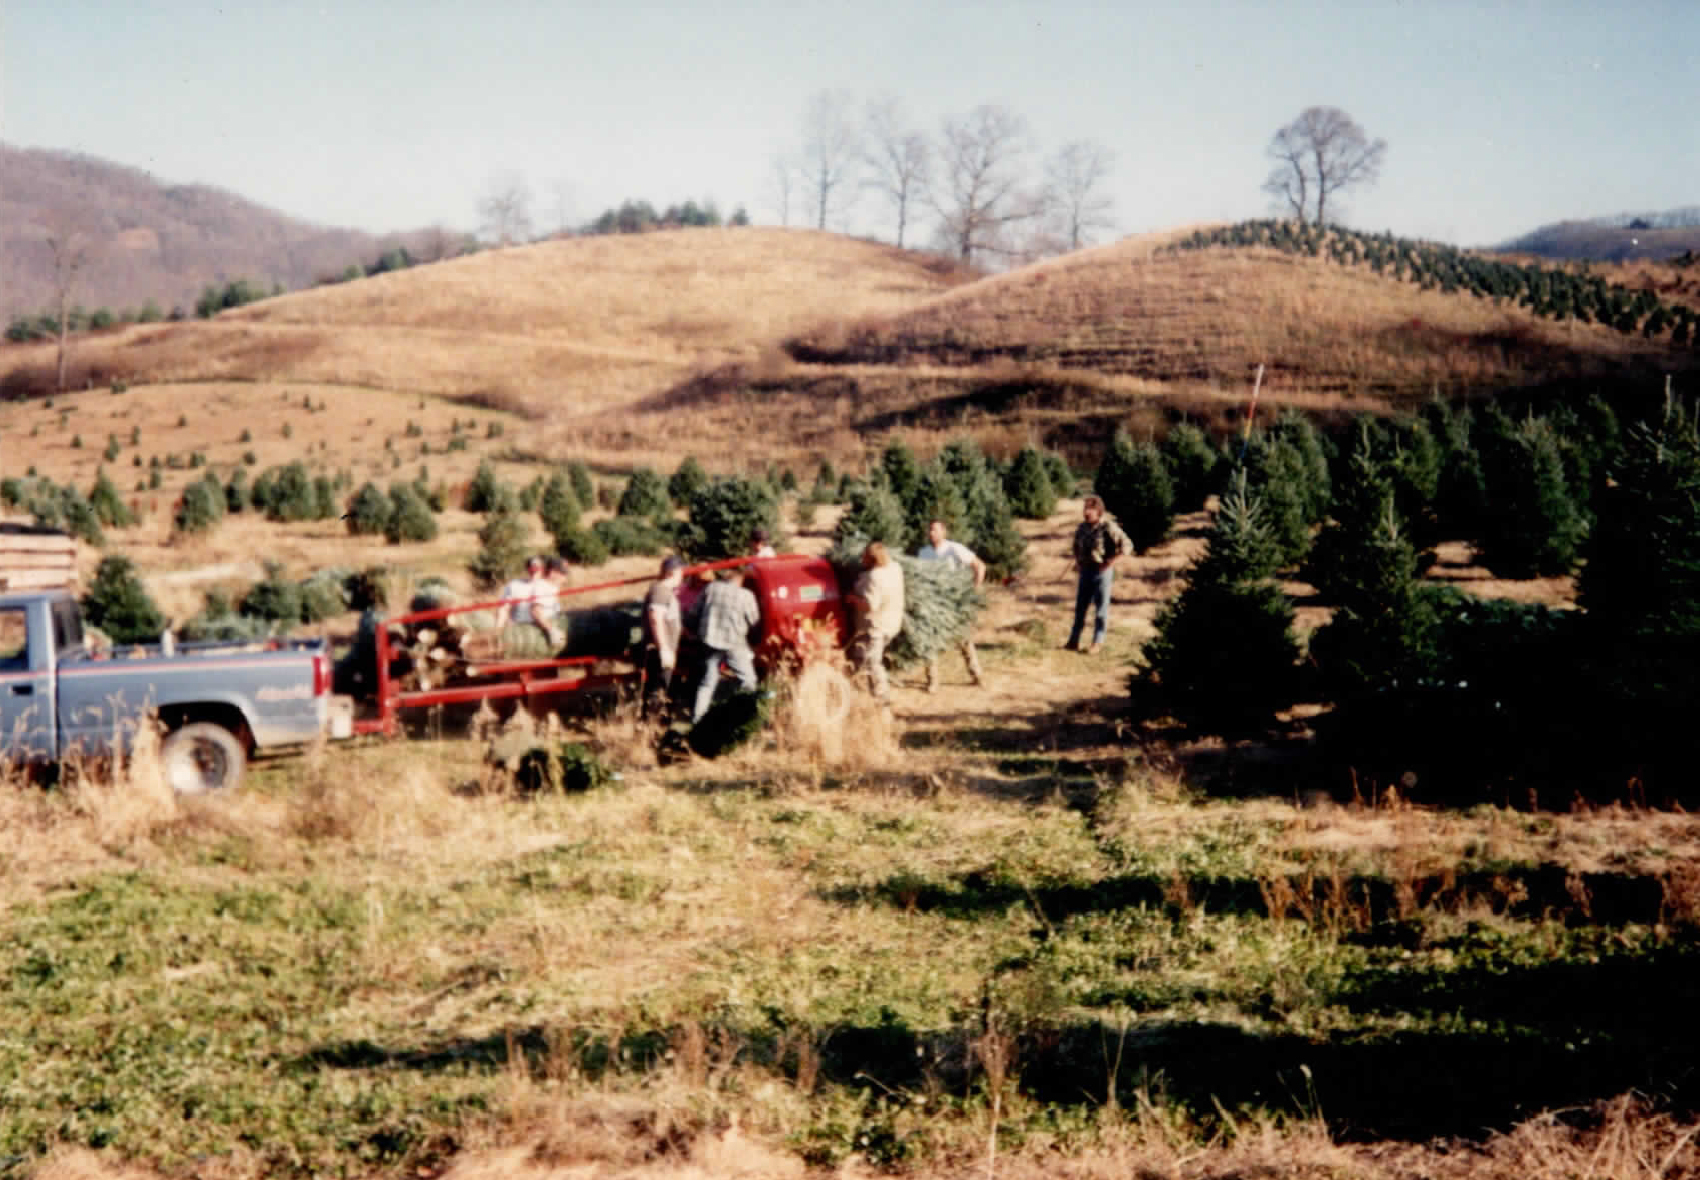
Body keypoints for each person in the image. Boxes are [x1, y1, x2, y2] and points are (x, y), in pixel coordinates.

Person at [916, 519, 985, 691]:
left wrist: (974, 591)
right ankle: (932, 681)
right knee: (929, 642)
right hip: (932, 603)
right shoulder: (923, 553)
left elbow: (979, 566)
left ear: (944, 532)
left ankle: (976, 674)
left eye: (936, 530)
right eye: (930, 530)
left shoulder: (954, 549)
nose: (932, 533)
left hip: (954, 603)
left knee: (964, 639)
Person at [688, 565, 761, 723]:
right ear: (740, 579)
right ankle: (746, 716)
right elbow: (754, 622)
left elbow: (693, 613)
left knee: (707, 682)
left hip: (709, 642)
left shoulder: (711, 588)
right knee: (748, 679)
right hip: (734, 644)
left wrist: (693, 632)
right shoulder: (746, 595)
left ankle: (698, 720)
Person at [1065, 495, 1132, 654]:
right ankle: (1073, 641)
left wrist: (1110, 563)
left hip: (1102, 572)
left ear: (1099, 511)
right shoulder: (1082, 527)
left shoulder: (1108, 527)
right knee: (1080, 608)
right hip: (1085, 572)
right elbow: (1075, 546)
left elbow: (1127, 545)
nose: (1086, 512)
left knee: (1101, 609)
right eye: (1085, 509)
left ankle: (1097, 642)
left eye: (1090, 509)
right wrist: (1078, 561)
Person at [847, 540, 905, 705]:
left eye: (864, 557)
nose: (861, 559)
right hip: (892, 622)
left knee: (872, 661)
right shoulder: (895, 568)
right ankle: (862, 693)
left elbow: (870, 605)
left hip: (876, 627)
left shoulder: (875, 577)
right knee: (861, 658)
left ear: (872, 559)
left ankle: (882, 696)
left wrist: (852, 598)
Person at [643, 555, 686, 717]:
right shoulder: (660, 591)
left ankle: (652, 722)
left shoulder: (664, 591)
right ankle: (649, 726)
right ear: (672, 572)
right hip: (660, 649)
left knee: (661, 686)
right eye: (681, 571)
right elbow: (655, 619)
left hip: (664, 647)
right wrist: (664, 649)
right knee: (658, 688)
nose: (683, 575)